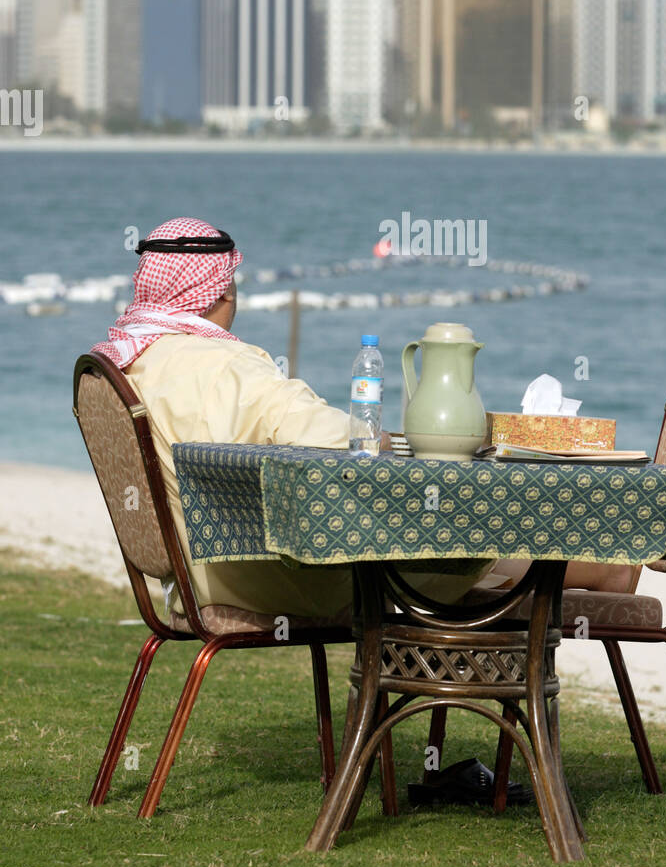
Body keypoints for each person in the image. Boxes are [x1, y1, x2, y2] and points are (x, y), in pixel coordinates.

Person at [92, 217, 489, 622]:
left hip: (190, 583)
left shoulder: (126, 361)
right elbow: (329, 436)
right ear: (224, 290)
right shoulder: (228, 364)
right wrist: (383, 439)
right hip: (261, 583)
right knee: (477, 546)